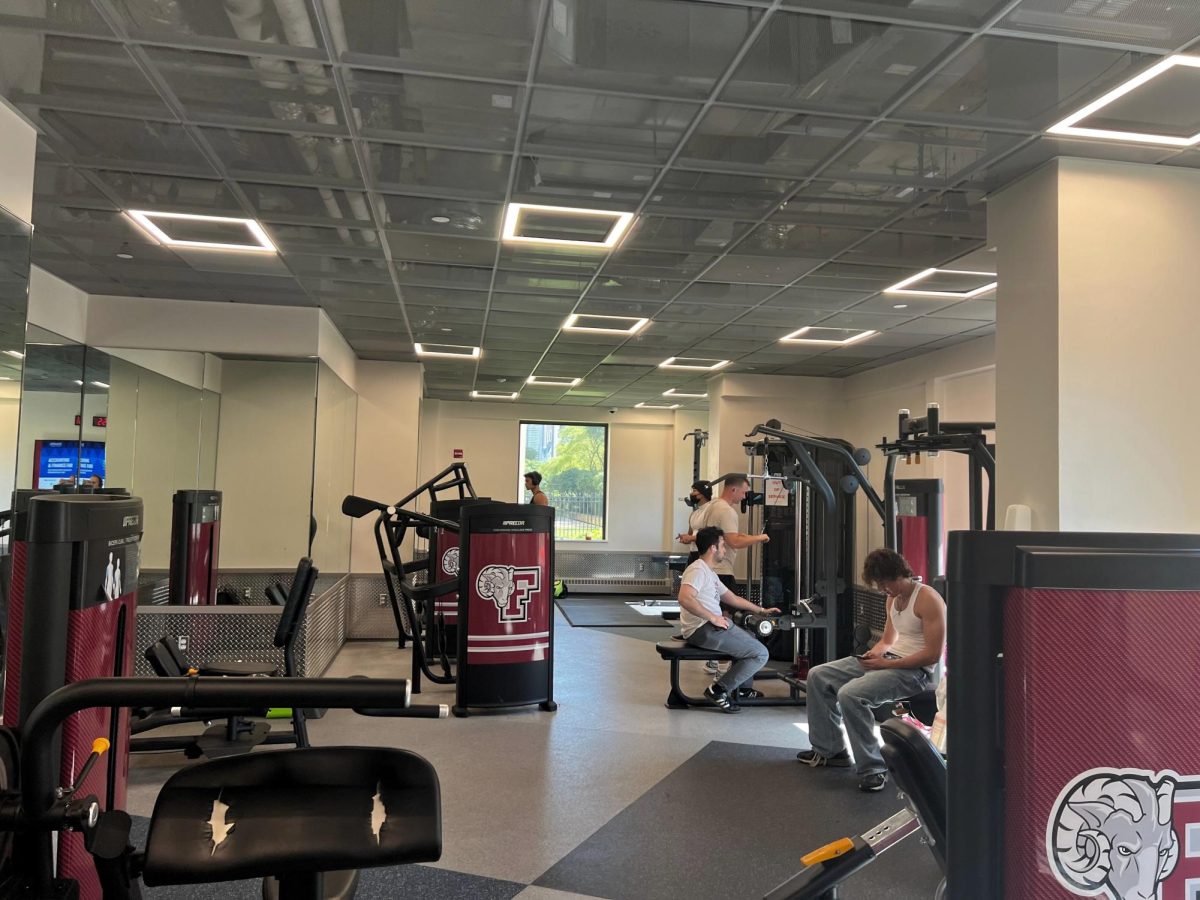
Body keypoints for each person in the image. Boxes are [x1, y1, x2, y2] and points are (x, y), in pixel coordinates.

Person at [797, 548, 946, 793]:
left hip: (914, 672)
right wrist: (874, 654)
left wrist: (886, 664)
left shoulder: (927, 599)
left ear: (899, 574)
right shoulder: (892, 599)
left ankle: (873, 768)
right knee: (818, 675)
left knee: (850, 694)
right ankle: (831, 751)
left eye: (884, 583)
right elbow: (888, 640)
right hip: (889, 660)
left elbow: (932, 654)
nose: (881, 589)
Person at [677, 526, 780, 713]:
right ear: (712, 548)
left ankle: (744, 689)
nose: (725, 550)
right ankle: (718, 690)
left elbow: (732, 598)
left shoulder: (709, 572)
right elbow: (684, 598)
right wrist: (713, 618)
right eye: (723, 545)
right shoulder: (697, 570)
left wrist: (762, 610)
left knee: (751, 635)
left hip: (709, 626)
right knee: (760, 654)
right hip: (703, 629)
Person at [699, 474, 769, 593]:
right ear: (733, 490)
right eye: (743, 492)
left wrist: (749, 537)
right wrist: (760, 538)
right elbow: (734, 542)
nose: (744, 497)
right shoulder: (727, 511)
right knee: (725, 611)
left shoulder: (712, 506)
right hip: (722, 571)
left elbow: (726, 535)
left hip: (711, 569)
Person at [676, 480, 712, 564]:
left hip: (704, 554)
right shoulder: (694, 514)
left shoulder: (711, 511)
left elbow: (710, 536)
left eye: (694, 491)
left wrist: (691, 538)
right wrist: (685, 538)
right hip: (692, 554)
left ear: (703, 493)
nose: (691, 494)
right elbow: (691, 535)